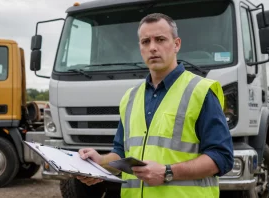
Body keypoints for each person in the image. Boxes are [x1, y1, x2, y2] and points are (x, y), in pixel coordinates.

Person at [76, 13, 234, 198]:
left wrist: (167, 172)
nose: (152, 48)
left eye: (160, 39)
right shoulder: (130, 98)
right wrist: (100, 163)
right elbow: (120, 153)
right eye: (145, 42)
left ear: (176, 44)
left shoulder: (200, 91)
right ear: (140, 48)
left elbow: (222, 157)